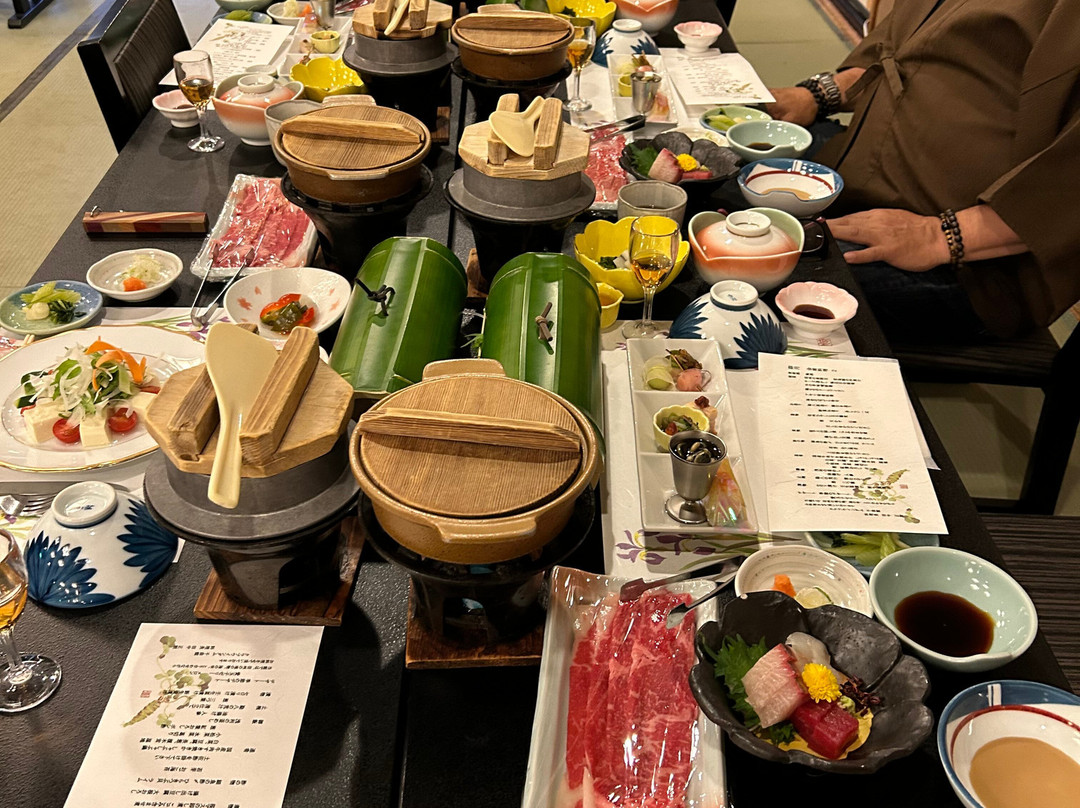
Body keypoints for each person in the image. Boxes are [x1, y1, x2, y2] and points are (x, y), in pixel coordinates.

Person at [766, 0, 1080, 342]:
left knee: (754, 270)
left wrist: (940, 236)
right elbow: (907, 48)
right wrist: (818, 94)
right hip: (861, 172)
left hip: (967, 257)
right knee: (729, 186)